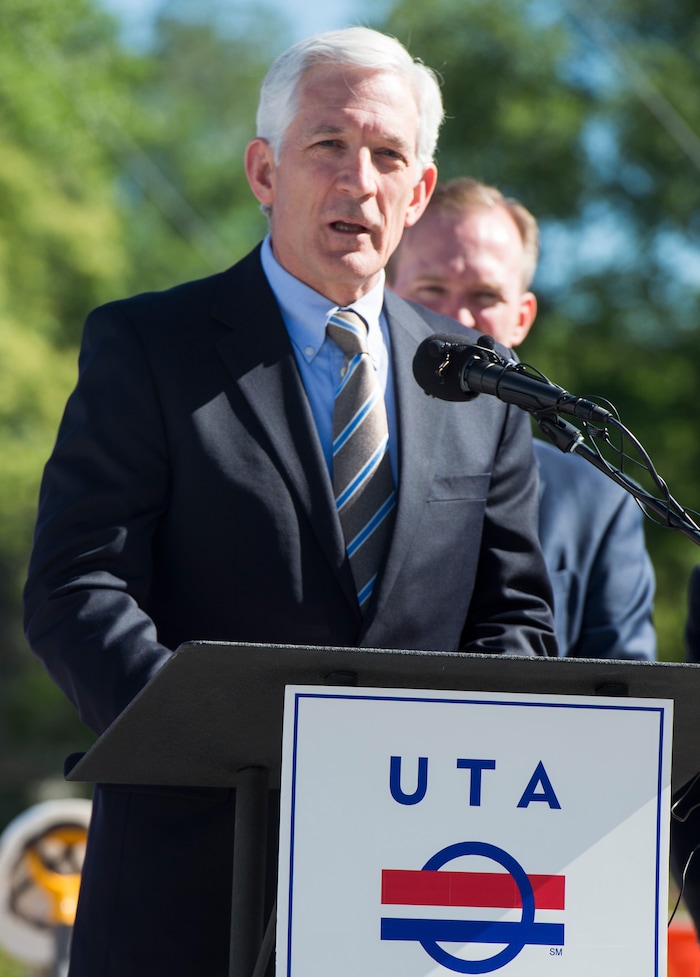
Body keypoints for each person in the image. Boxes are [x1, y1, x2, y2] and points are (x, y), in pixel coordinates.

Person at [23, 30, 557, 977]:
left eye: (390, 154)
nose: (360, 178)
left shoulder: (479, 382)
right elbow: (78, 585)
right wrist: (229, 744)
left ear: (419, 191)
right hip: (190, 892)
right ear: (264, 171)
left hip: (418, 896)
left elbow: (514, 618)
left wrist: (424, 772)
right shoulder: (151, 346)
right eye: (328, 145)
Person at [389, 176, 656, 660]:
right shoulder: (345, 462)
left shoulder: (596, 500)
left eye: (485, 296)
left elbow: (624, 696)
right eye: (432, 289)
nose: (460, 321)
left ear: (522, 317)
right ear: (387, 297)